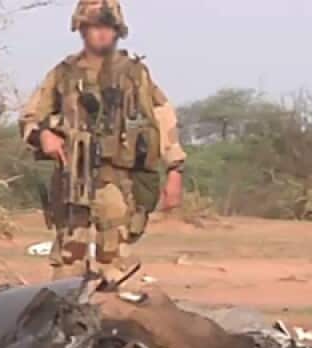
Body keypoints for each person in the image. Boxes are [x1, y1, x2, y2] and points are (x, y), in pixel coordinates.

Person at [19, 0, 186, 285]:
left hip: (119, 180)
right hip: (73, 176)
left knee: (114, 257)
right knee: (69, 258)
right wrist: (43, 135)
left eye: (107, 27)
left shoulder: (135, 75)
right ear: (81, 29)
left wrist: (174, 171)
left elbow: (163, 120)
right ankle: (65, 319)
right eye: (93, 27)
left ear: (118, 31)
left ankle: (111, 320)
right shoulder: (63, 74)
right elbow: (30, 117)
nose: (101, 34)